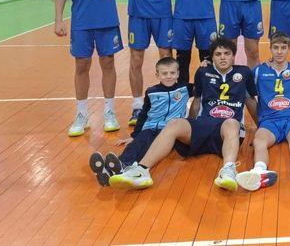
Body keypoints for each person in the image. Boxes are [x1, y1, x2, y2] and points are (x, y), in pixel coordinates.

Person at [108, 37, 258, 192]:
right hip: (204, 125)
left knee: (232, 123)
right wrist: (188, 126)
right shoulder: (203, 72)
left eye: (227, 53)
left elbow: (250, 101)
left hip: (226, 130)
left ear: (234, 56)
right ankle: (141, 170)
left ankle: (228, 171)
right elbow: (197, 101)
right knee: (175, 123)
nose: (223, 57)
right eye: (218, 54)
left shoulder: (244, 72)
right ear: (212, 57)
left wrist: (260, 127)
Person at [54, 0, 123, 137]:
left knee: (108, 63)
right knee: (81, 65)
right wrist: (58, 20)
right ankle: (81, 114)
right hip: (82, 21)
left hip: (108, 20)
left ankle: (109, 112)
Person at [236, 32, 290, 191]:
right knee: (259, 141)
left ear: (289, 49)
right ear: (270, 49)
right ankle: (259, 172)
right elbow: (239, 82)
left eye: (283, 47)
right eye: (275, 47)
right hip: (269, 120)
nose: (279, 51)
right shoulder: (259, 71)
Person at [88, 57, 190, 186]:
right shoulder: (151, 92)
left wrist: (205, 65)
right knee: (137, 143)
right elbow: (143, 114)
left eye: (172, 73)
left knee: (149, 147)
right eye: (164, 73)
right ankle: (116, 166)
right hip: (150, 127)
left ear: (178, 74)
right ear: (157, 75)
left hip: (168, 130)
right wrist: (134, 136)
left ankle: (118, 168)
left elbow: (205, 84)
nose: (169, 76)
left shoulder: (185, 88)